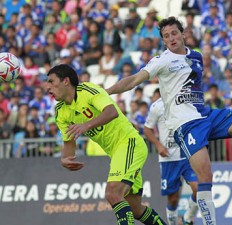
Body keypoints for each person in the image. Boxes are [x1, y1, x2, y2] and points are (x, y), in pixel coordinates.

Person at [106, 17, 232, 225]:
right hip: (186, 125)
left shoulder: (196, 57)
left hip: (205, 115)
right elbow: (134, 80)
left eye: (174, 33)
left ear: (183, 34)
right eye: (166, 36)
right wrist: (106, 91)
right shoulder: (161, 60)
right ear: (163, 41)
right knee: (205, 179)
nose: (171, 38)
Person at [46, 64, 166, 225]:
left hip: (129, 143)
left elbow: (112, 111)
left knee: (113, 193)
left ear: (66, 81)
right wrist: (65, 158)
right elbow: (69, 142)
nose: (48, 87)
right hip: (116, 153)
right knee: (136, 209)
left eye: (51, 82)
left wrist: (86, 125)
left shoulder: (87, 91)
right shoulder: (61, 112)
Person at [144, 98, 198, 225]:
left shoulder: (186, 100)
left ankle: (187, 219)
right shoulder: (157, 106)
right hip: (169, 159)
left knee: (198, 189)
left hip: (187, 155)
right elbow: (147, 129)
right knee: (173, 199)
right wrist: (158, 145)